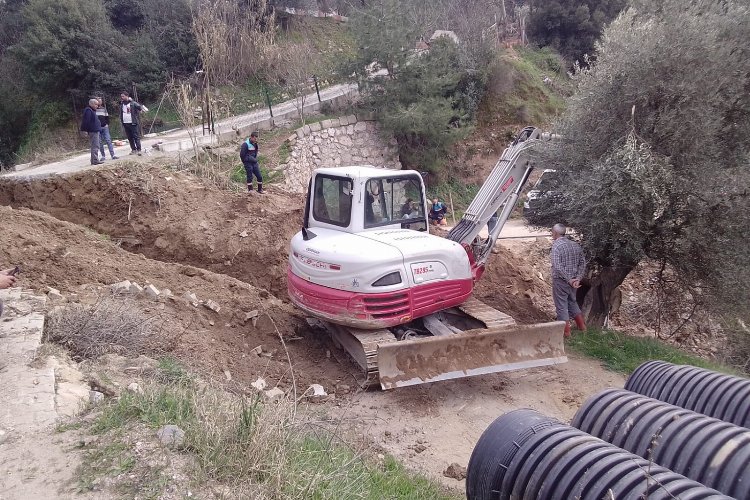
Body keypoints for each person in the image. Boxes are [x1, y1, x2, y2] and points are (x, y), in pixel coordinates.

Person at [550, 223, 587, 337]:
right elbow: (582, 263)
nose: (552, 233)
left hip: (561, 281)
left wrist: (569, 279)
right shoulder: (575, 245)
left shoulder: (556, 246)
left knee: (561, 306)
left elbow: (557, 266)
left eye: (552, 232)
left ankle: (566, 333)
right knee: (572, 302)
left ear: (556, 233)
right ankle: (582, 327)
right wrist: (577, 278)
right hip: (574, 282)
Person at [119, 91, 148, 156]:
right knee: (130, 137)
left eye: (123, 96)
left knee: (136, 136)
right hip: (125, 123)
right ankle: (133, 149)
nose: (122, 97)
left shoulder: (132, 103)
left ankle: (139, 149)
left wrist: (142, 110)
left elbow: (139, 107)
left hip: (133, 122)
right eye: (121, 96)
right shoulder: (122, 104)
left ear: (127, 96)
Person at [80, 98, 103, 165]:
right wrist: (85, 130)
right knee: (95, 145)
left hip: (95, 130)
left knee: (96, 145)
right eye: (96, 104)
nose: (97, 106)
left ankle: (94, 160)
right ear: (92, 104)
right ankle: (95, 160)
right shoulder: (88, 111)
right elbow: (86, 121)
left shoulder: (92, 110)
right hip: (93, 131)